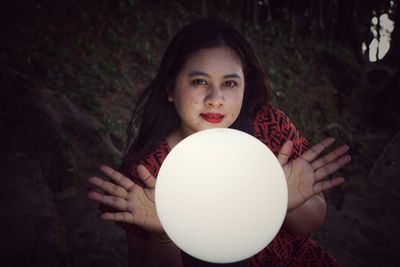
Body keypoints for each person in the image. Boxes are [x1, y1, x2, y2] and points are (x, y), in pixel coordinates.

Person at [88, 18, 351, 267]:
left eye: (230, 83)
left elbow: (312, 221)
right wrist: (163, 231)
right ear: (170, 89)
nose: (216, 98)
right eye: (199, 81)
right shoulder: (147, 174)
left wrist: (280, 198)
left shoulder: (268, 130)